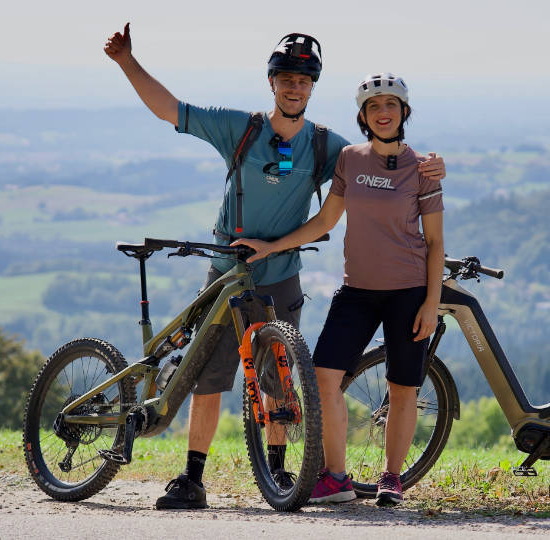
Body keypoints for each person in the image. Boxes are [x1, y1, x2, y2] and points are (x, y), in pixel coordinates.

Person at [104, 26, 446, 510]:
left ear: (313, 88)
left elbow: (382, 156)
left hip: (281, 273)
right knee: (211, 376)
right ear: (271, 82)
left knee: (280, 379)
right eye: (286, 78)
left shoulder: (328, 147)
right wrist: (127, 62)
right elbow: (170, 110)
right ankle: (192, 477)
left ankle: (280, 471)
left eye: (304, 81)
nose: (294, 87)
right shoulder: (240, 128)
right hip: (228, 269)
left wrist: (431, 165)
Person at [234, 73, 444, 507]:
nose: (382, 113)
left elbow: (437, 242)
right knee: (323, 379)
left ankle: (391, 478)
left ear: (404, 112)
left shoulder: (422, 168)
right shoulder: (350, 159)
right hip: (357, 291)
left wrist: (431, 301)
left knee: (403, 387)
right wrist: (272, 246)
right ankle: (336, 479)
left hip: (408, 290)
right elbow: (325, 222)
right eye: (373, 107)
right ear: (363, 116)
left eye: (390, 105)